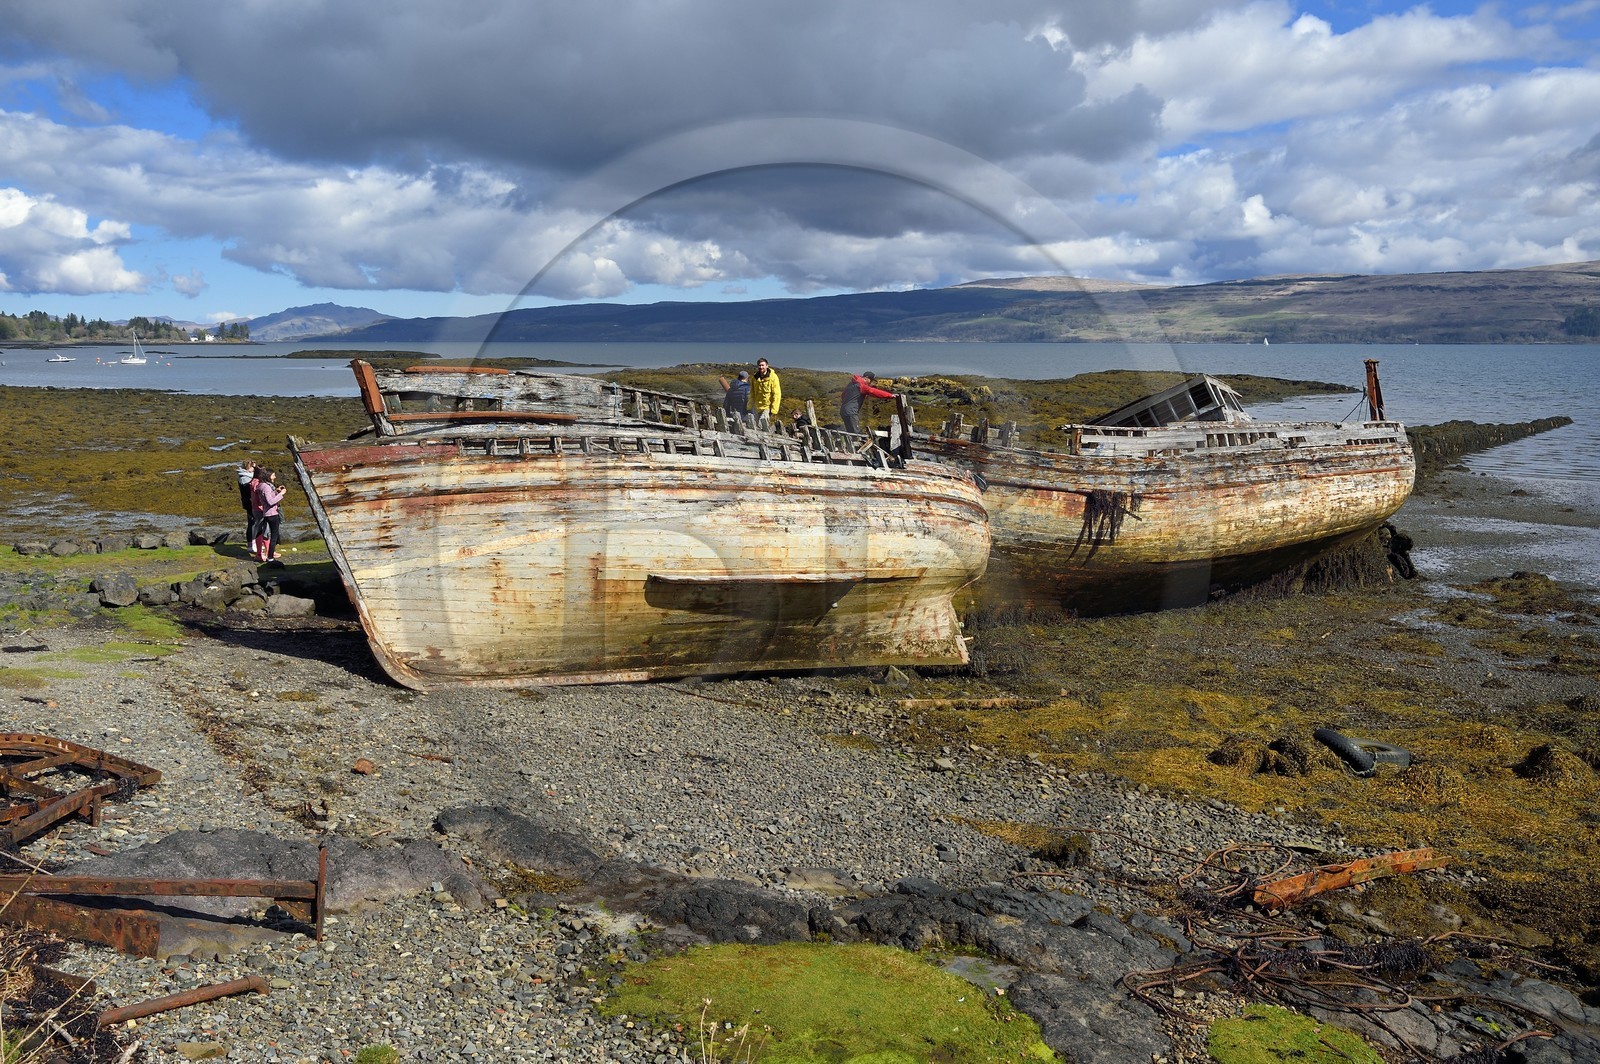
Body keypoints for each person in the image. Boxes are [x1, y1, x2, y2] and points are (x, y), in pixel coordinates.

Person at [840, 371, 896, 435]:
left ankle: (850, 443)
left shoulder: (851, 384)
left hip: (843, 410)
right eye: (871, 380)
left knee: (850, 432)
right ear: (866, 378)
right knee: (855, 433)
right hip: (851, 411)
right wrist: (890, 395)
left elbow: (843, 396)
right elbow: (873, 391)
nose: (871, 382)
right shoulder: (861, 386)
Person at [251, 468, 287, 562]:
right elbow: (270, 502)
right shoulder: (266, 487)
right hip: (271, 513)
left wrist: (276, 492)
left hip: (266, 513)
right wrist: (281, 494)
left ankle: (268, 555)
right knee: (273, 536)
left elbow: (268, 497)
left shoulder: (261, 485)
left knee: (266, 534)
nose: (274, 477)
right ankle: (270, 557)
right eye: (273, 475)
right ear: (268, 476)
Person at [749, 357, 781, 424]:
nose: (761, 367)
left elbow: (777, 394)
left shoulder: (773, 377)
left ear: (767, 365)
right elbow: (752, 393)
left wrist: (774, 409)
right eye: (759, 365)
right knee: (754, 425)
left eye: (763, 365)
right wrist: (749, 406)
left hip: (767, 407)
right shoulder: (755, 378)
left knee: (762, 425)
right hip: (756, 407)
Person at [236, 461, 260, 547]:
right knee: (253, 522)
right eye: (253, 467)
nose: (254, 469)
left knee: (253, 522)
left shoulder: (246, 476)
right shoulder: (244, 478)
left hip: (249, 501)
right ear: (248, 467)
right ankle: (252, 543)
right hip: (250, 502)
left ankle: (253, 542)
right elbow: (248, 490)